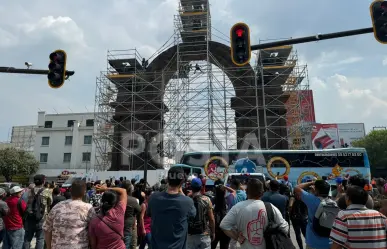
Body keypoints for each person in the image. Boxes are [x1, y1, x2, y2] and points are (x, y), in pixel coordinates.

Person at [220, 178, 289, 249]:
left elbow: (224, 225)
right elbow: (285, 228)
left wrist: (237, 237)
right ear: (262, 192)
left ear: (246, 192)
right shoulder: (271, 207)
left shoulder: (238, 207)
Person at [146, 166, 196, 249]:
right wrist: (182, 192)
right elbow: (192, 216)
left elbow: (149, 214)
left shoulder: (153, 198)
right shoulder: (187, 202)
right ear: (182, 181)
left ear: (167, 180)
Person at [43, 180, 96, 249]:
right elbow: (93, 231)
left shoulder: (57, 206)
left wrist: (49, 247)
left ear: (70, 191)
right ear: (84, 192)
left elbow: (47, 229)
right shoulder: (88, 208)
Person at [294, 179, 332, 249]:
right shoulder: (333, 203)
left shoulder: (312, 200)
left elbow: (297, 188)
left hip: (313, 241)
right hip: (328, 242)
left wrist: (312, 182)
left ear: (317, 190)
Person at [89, 184, 127, 249]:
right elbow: (123, 191)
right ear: (115, 202)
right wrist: (105, 189)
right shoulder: (119, 212)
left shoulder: (94, 222)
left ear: (102, 201)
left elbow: (93, 244)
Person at [23, 174, 53, 249]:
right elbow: (50, 202)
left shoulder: (28, 191)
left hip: (29, 217)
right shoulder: (47, 191)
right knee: (40, 239)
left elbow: (24, 203)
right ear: (43, 182)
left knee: (27, 238)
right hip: (42, 217)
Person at [187, 178, 215, 249]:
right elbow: (211, 219)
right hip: (204, 234)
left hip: (190, 234)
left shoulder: (187, 200)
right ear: (201, 187)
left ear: (191, 187)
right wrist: (213, 232)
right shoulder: (207, 200)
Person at [121, 180, 141, 249]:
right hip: (128, 227)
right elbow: (139, 210)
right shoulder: (132, 200)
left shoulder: (117, 198)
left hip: (117, 226)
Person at [211, 180, 230, 249]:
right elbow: (234, 192)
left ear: (214, 189)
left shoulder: (211, 200)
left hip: (215, 228)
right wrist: (225, 188)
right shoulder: (229, 199)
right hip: (225, 229)